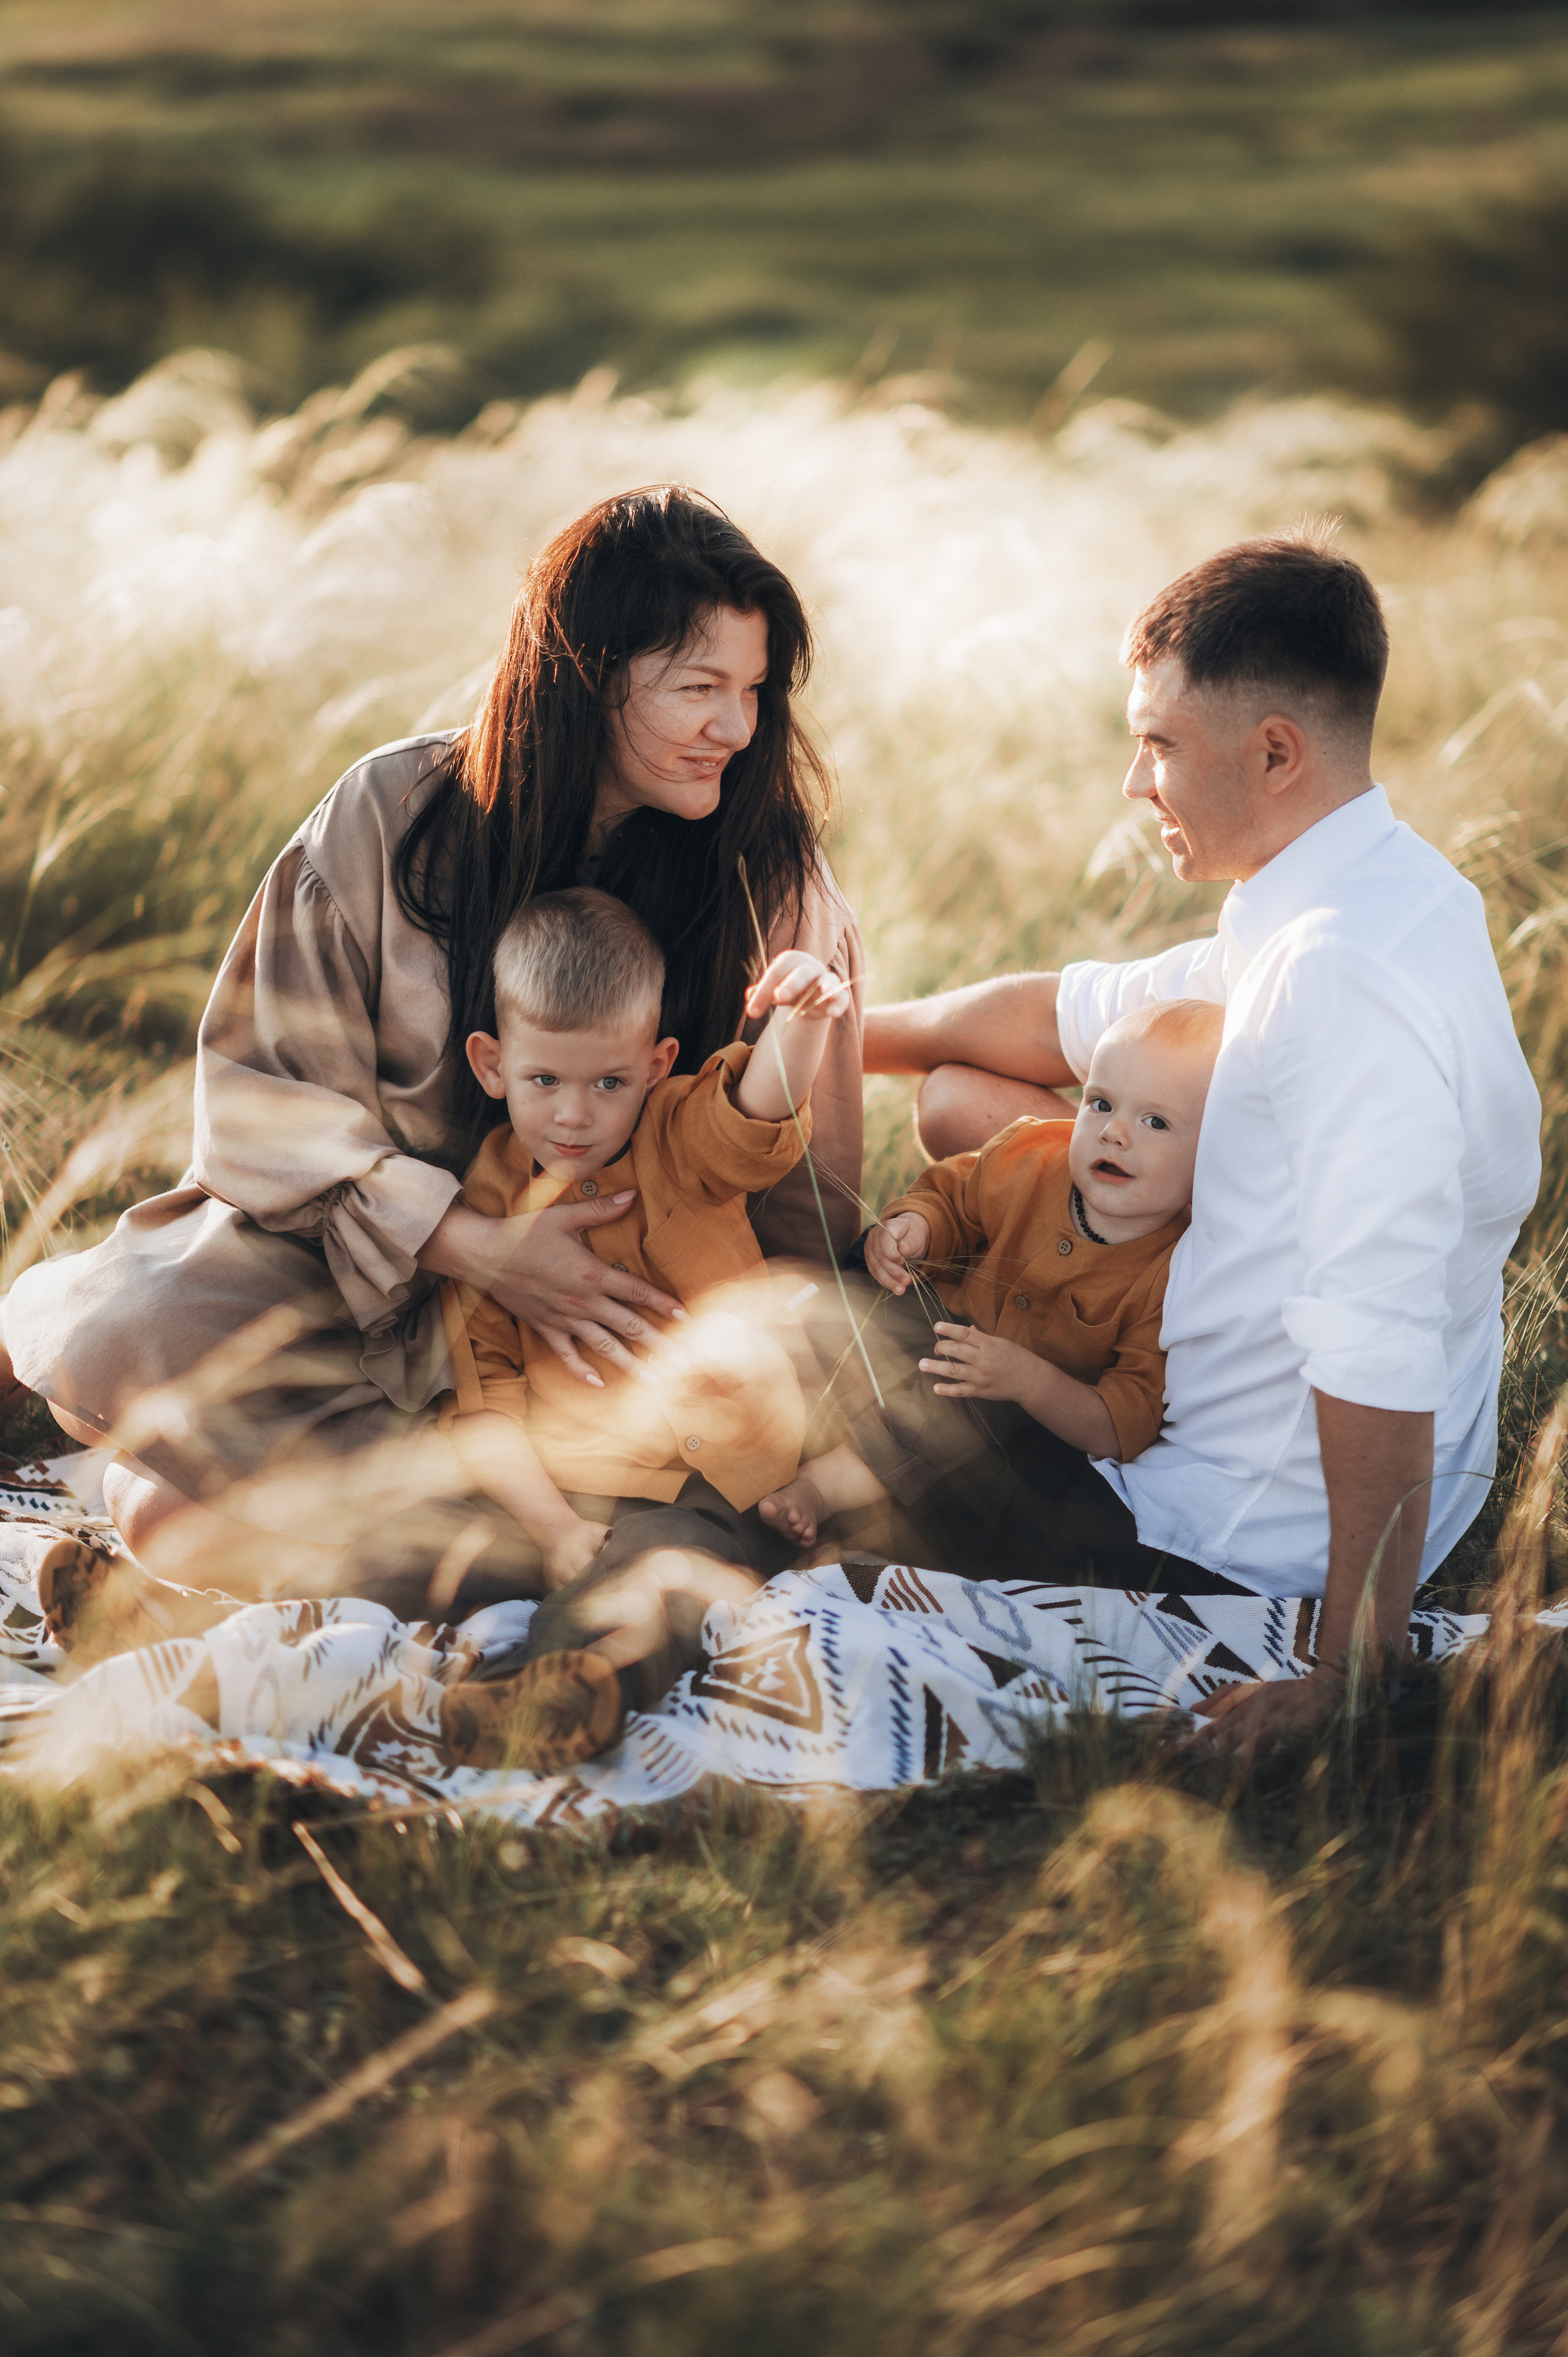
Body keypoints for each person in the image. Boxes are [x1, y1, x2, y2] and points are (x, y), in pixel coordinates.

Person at [1, 487, 865, 1591]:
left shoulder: (768, 877)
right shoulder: (390, 811)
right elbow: (263, 1098)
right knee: (133, 1321)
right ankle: (462, 1532)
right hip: (371, 1287)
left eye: (752, 692)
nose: (737, 731)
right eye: (701, 689)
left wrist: (799, 1324)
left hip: (602, 1333)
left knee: (171, 1511)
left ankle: (389, 1529)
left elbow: (809, 1200)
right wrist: (471, 1241)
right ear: (591, 676)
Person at [862, 529, 1542, 1757]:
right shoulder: (1370, 888)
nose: (1134, 784)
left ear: (1273, 750)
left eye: (1158, 745)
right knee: (959, 1098)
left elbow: (1373, 1333)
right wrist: (839, 1033)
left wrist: (1343, 1668)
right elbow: (1068, 1008)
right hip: (1205, 1415)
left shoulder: (1333, 979)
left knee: (809, 1354)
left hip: (1214, 1530)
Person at [427, 884, 850, 1766]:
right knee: (423, 1551)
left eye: (608, 1082)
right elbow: (488, 1404)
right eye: (544, 1080)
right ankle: (183, 1612)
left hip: (704, 1484)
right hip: (555, 1487)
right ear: (490, 1062)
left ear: (656, 1065)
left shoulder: (676, 1135)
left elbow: (760, 1109)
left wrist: (804, 1016)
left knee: (659, 1575)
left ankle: (556, 1698)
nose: (575, 1114)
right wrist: (553, 1529)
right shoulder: (488, 1206)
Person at [759, 999, 1222, 1573]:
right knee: (813, 1298)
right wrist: (913, 1229)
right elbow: (953, 1197)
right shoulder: (1030, 1156)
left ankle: (823, 1487)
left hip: (1010, 1412)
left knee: (943, 1409)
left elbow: (1119, 1422)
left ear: (1214, 1159)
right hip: (934, 1321)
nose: (1114, 1132)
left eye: (1156, 1122)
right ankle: (765, 1412)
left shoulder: (1174, 1274)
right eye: (1100, 1103)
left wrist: (1027, 1380)